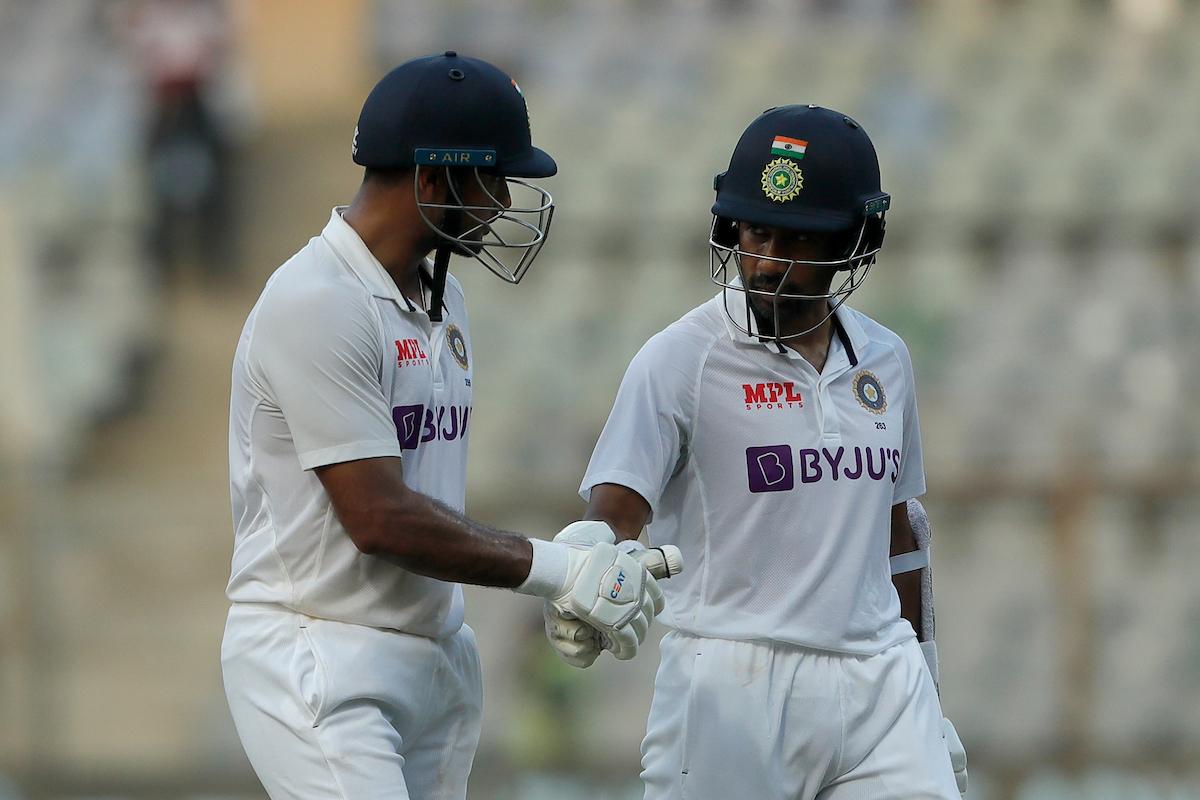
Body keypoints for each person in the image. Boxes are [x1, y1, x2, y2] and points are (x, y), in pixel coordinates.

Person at [220, 52, 669, 800]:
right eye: (493, 178)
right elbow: (378, 518)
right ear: (432, 180)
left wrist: (581, 552)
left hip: (432, 652)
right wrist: (559, 571)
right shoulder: (316, 300)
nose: (503, 200)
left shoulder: (440, 300)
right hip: (318, 649)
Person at [543, 105, 969, 799]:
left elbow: (901, 533)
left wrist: (926, 684)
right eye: (756, 231)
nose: (768, 262)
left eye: (798, 240)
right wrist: (586, 570)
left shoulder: (886, 361)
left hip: (880, 683)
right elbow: (613, 513)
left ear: (857, 239)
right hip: (730, 682)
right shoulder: (679, 360)